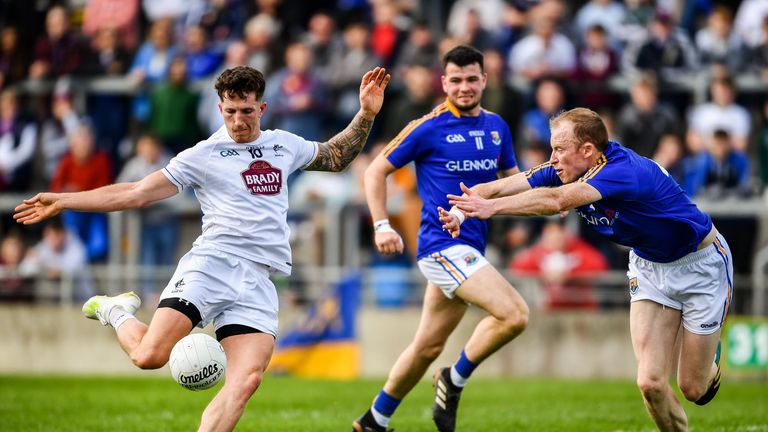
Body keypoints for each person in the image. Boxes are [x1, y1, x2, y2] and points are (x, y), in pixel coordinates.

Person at [14, 65, 391, 432]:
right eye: (230, 112)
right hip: (212, 265)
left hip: (260, 279)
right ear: (220, 109)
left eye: (247, 111)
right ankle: (114, 310)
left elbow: (336, 156)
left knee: (245, 383)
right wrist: (64, 200)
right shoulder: (203, 155)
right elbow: (135, 192)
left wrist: (366, 113)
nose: (239, 121)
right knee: (148, 356)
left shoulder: (283, 144)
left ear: (262, 108)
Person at [442, 108, 732, 431]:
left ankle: (709, 362)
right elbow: (496, 188)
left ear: (588, 151)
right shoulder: (567, 167)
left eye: (559, 149)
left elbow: (556, 203)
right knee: (650, 383)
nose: (552, 158)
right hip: (649, 266)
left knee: (693, 389)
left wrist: (491, 209)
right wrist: (461, 214)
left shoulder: (621, 171)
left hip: (700, 265)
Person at [352, 45, 529, 432]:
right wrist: (382, 225)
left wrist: (545, 201)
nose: (464, 87)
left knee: (426, 347)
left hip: (470, 250)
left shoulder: (497, 126)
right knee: (514, 314)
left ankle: (372, 421)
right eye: (456, 80)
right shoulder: (427, 127)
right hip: (442, 247)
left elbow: (513, 182)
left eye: (471, 79)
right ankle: (454, 377)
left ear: (484, 80)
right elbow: (374, 172)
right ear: (443, 82)